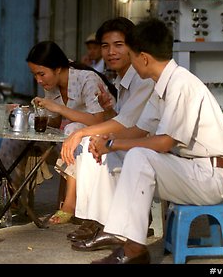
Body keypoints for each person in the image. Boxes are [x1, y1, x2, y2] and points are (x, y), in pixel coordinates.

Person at [65, 18, 223, 264]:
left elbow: (164, 143)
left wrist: (113, 145)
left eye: (132, 56)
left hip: (209, 177)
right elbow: (137, 130)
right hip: (190, 170)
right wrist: (106, 140)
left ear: (143, 58)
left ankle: (132, 249)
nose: (131, 63)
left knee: (139, 156)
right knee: (134, 155)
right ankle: (128, 243)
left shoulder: (181, 84)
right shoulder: (161, 85)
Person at [0, 40, 116, 223]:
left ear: (58, 69)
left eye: (41, 74)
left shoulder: (87, 80)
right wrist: (29, 115)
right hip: (67, 143)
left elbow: (98, 120)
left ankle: (69, 203)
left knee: (72, 129)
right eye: (35, 74)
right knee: (14, 140)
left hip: (101, 139)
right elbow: (54, 121)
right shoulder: (52, 87)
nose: (38, 80)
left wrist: (60, 110)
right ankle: (12, 196)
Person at [57, 17, 154, 229]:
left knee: (89, 141)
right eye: (105, 46)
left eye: (119, 45)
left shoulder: (142, 79)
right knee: (90, 143)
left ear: (133, 47)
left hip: (148, 148)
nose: (111, 52)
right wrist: (109, 109)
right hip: (131, 143)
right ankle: (94, 218)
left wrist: (81, 134)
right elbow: (123, 120)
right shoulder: (122, 80)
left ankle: (101, 221)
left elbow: (126, 124)